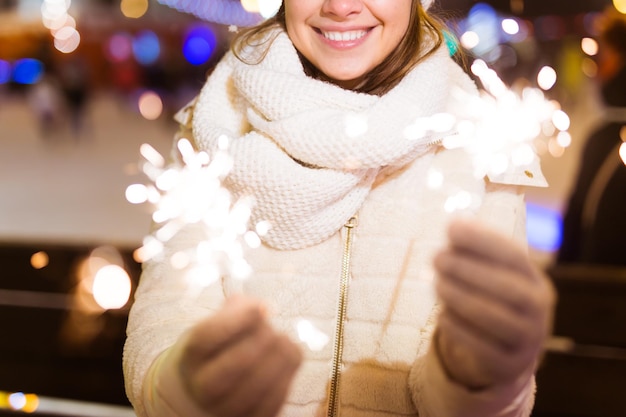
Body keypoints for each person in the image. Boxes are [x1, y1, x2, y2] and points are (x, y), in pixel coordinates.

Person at [123, 1, 556, 416]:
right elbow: (160, 333)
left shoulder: (483, 149)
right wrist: (191, 387)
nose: (341, 5)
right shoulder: (214, 130)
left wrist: (475, 370)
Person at [556, 9, 626, 267]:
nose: (597, 69)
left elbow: (577, 219)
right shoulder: (606, 134)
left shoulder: (608, 139)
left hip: (602, 292)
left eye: (603, 55)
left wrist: (563, 281)